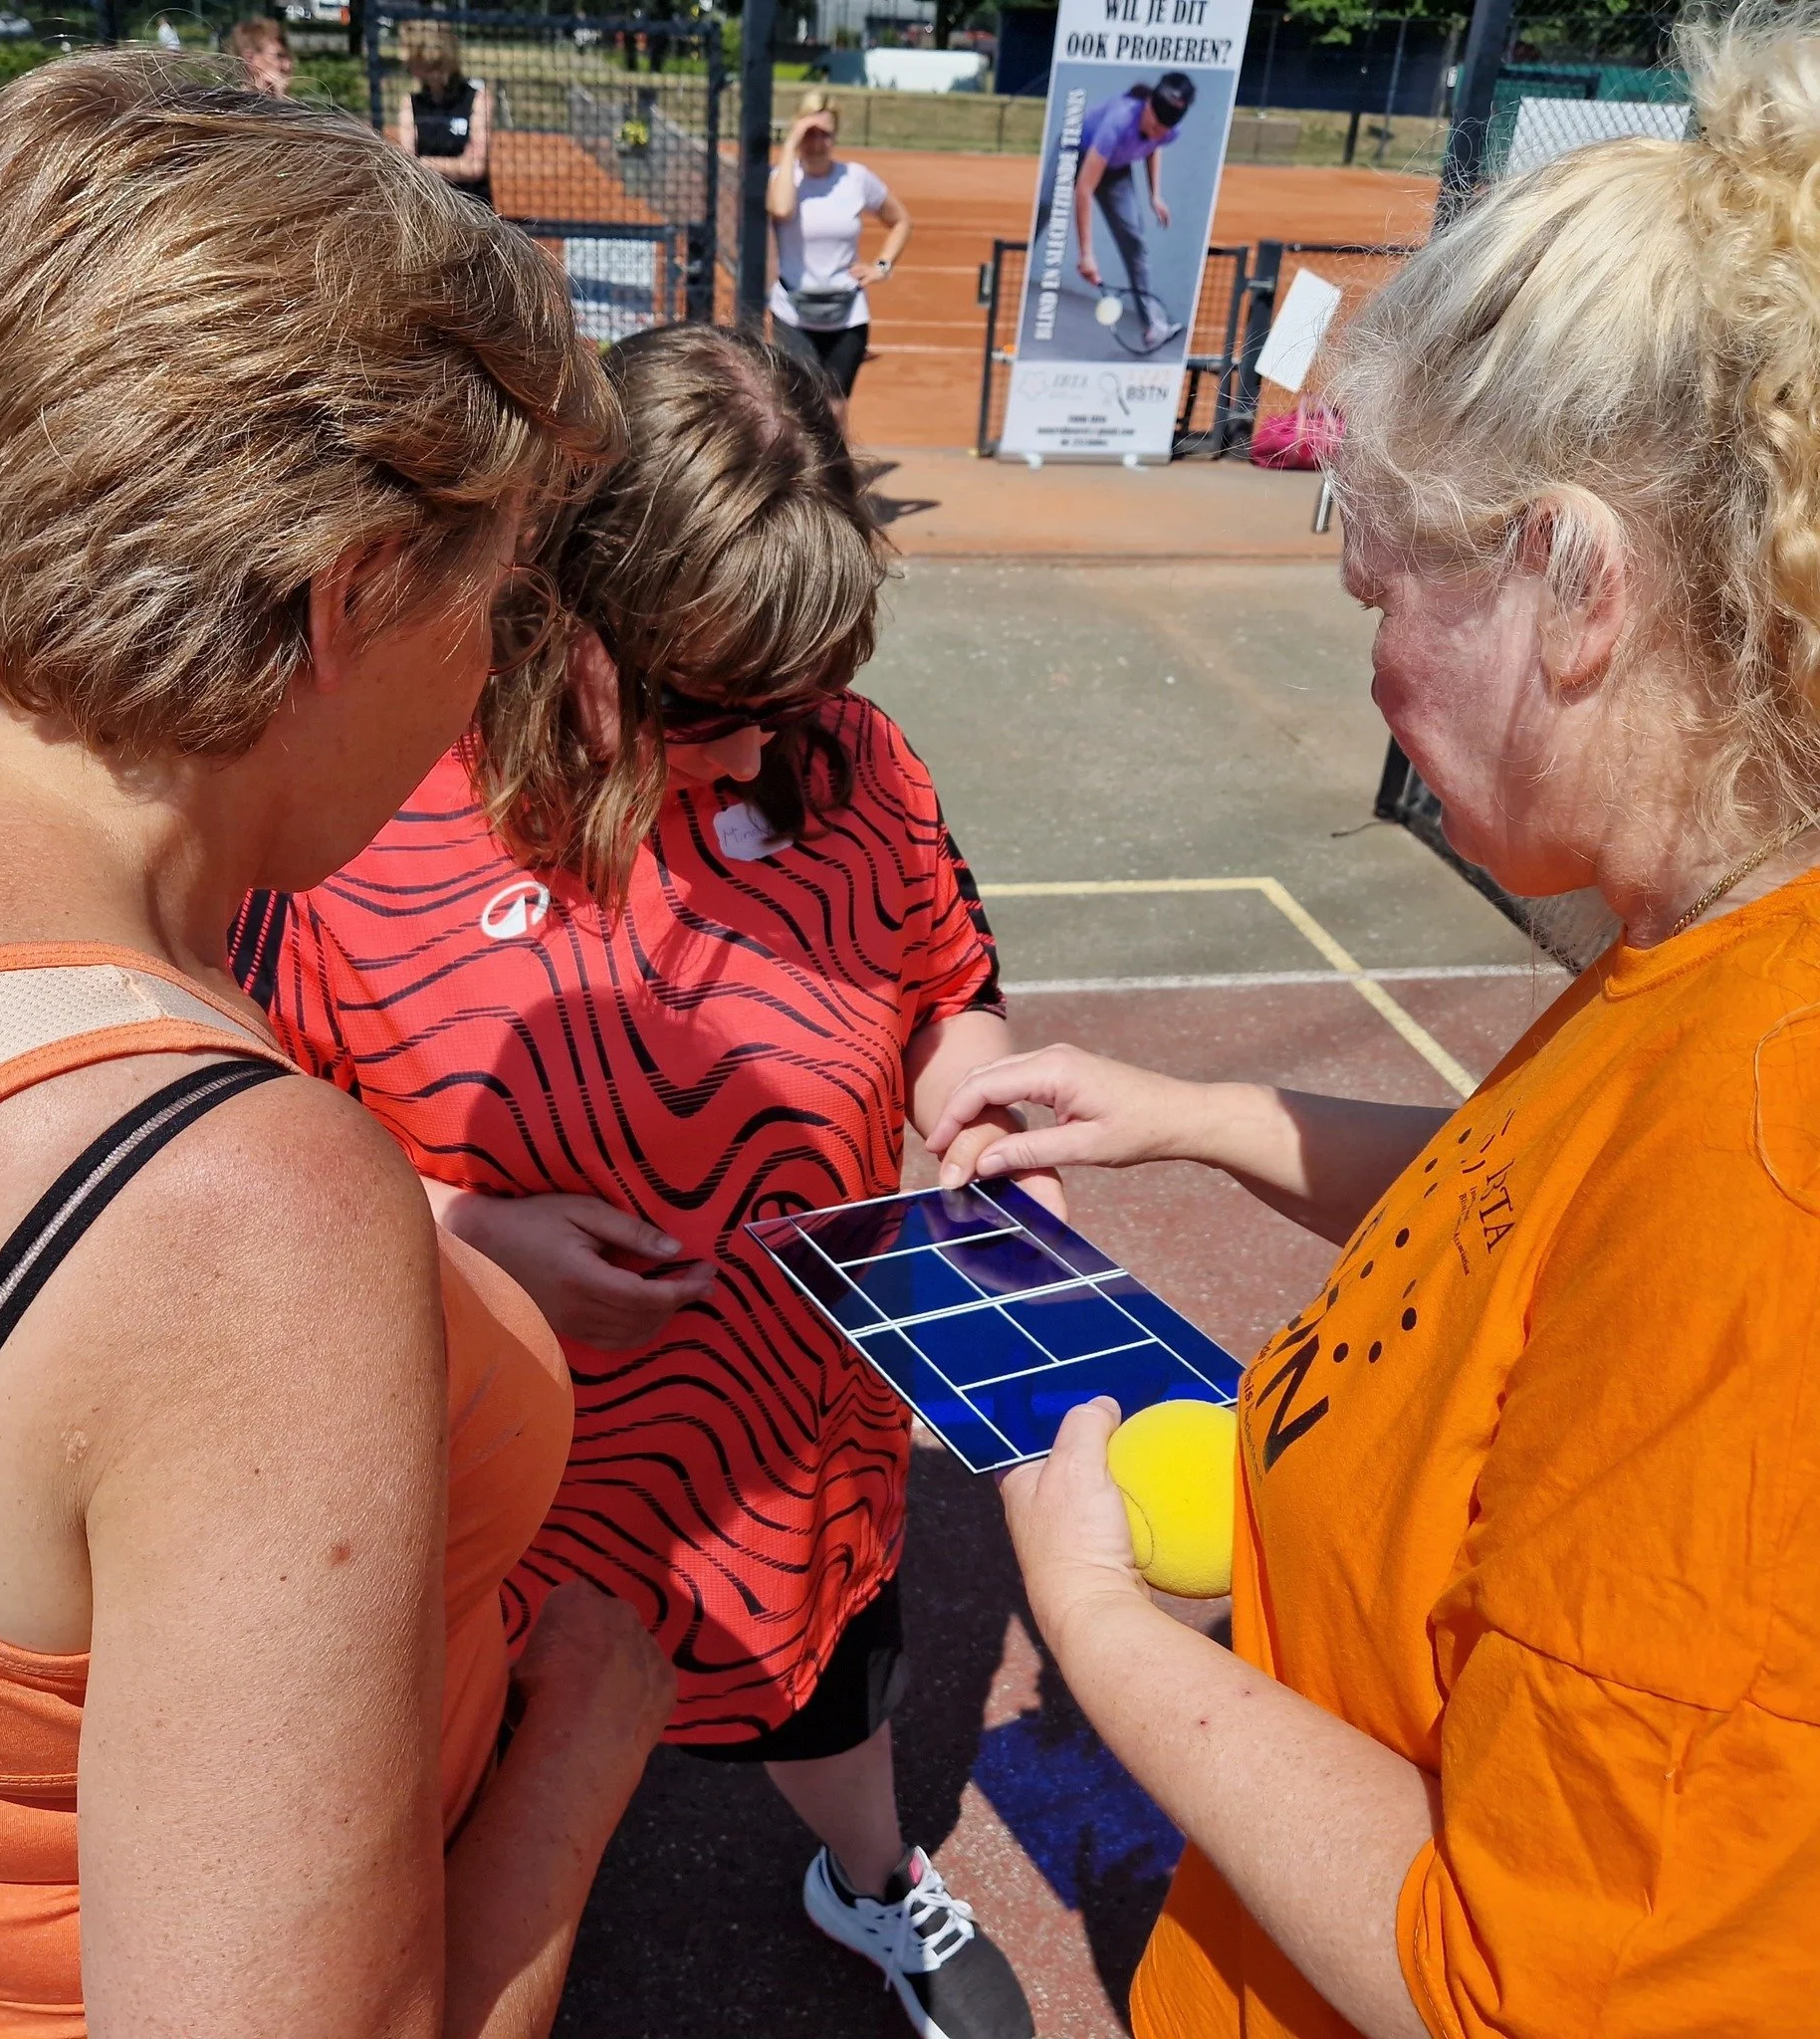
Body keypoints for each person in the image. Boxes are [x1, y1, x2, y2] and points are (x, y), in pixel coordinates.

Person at [927, 9, 1820, 2035]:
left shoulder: (1779, 1154)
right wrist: (1199, 1111)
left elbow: (1515, 1987)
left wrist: (1096, 1628)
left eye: (1382, 601)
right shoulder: (1710, 956)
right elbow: (1548, 1243)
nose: (1377, 685)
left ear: (1571, 584)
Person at [0, 50, 675, 2036]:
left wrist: (430, 1251)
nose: (487, 676)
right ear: (352, 594)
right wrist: (579, 1758)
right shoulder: (230, 1216)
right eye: (496, 591)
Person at [235, 323, 1038, 2039]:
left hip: (791, 1437)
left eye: (792, 701)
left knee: (829, 1694)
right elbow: (232, 1154)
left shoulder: (855, 761)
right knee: (489, 1779)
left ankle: (872, 1876)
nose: (757, 754)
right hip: (495, 1459)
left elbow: (947, 974)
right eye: (710, 706)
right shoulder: (367, 803)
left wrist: (964, 1072)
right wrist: (457, 1241)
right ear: (555, 607)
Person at [767, 89, 910, 415]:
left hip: (847, 313)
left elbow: (900, 221)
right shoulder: (784, 178)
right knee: (799, 407)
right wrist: (790, 145)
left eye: (825, 135)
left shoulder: (856, 179)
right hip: (793, 311)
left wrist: (882, 266)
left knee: (835, 409)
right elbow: (782, 209)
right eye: (810, 134)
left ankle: (835, 468)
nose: (817, 143)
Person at [1036, 72, 1194, 352]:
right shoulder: (1119, 121)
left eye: (1164, 131)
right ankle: (1011, 267)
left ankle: (1153, 326)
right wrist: (1087, 255)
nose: (1158, 134)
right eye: (1156, 125)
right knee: (1046, 207)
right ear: (1147, 106)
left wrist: (1154, 195)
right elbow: (1083, 188)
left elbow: (1153, 146)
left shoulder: (1165, 130)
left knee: (1134, 242)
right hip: (1075, 150)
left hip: (1116, 168)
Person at [397, 21, 493, 212]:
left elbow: (475, 167)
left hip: (473, 211)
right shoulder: (410, 103)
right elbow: (407, 165)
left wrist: (423, 163)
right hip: (429, 209)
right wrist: (455, 165)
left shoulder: (477, 97)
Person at [228, 15, 295, 98]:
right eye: (278, 56)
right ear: (250, 58)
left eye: (288, 57)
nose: (287, 65)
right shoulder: (229, 107)